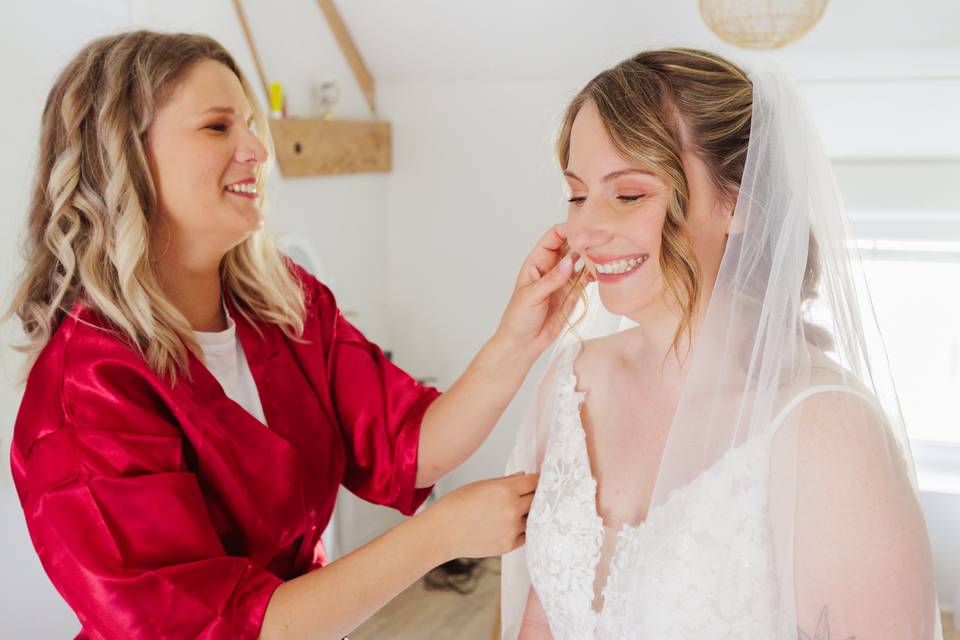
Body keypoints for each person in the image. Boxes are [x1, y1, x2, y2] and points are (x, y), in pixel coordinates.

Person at [7, 31, 579, 640]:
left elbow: (409, 445)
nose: (257, 149)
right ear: (122, 155)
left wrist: (518, 337)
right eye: (218, 127)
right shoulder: (88, 388)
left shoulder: (282, 303)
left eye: (251, 124)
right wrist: (439, 536)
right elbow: (216, 628)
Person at [500, 48, 941, 639]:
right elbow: (543, 617)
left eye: (628, 194)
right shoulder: (571, 384)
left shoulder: (825, 429)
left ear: (739, 202)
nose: (582, 230)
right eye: (577, 194)